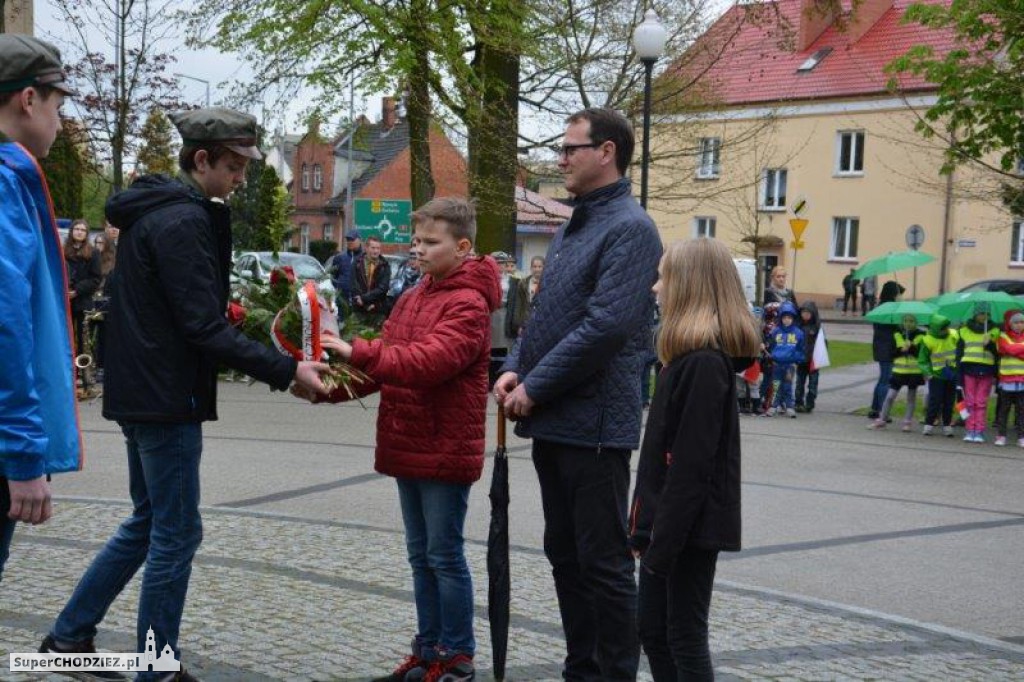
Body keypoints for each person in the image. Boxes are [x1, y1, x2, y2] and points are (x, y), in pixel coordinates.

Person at [40, 107, 330, 681]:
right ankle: (155, 667)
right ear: (202, 160)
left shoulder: (165, 214)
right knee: (176, 532)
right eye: (235, 167)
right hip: (164, 397)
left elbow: (191, 314)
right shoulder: (181, 222)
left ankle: (69, 637)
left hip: (144, 391)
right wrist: (285, 370)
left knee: (149, 520)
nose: (243, 179)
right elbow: (201, 325)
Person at [494, 107, 661, 681]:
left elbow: (606, 326)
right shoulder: (572, 225)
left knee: (604, 565)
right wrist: (515, 366)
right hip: (556, 419)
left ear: (607, 151)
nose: (560, 158)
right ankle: (582, 671)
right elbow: (545, 316)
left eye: (570, 148)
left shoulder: (632, 229)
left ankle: (614, 675)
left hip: (594, 427)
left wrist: (535, 386)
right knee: (565, 555)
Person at [314, 198, 501, 682]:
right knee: (421, 556)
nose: (417, 250)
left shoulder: (470, 303)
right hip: (407, 443)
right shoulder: (416, 294)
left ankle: (456, 658)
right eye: (415, 240)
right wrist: (323, 388)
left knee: (443, 554)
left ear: (463, 247)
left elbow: (427, 362)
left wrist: (356, 349)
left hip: (442, 446)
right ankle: (427, 651)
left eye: (429, 242)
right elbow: (386, 365)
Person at [628, 237, 761, 681]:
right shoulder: (684, 361)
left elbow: (690, 469)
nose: (655, 288)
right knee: (654, 631)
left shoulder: (704, 365)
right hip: (666, 529)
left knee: (682, 636)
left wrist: (660, 546)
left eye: (664, 277)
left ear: (689, 286)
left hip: (687, 532)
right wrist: (642, 528)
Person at [0, 33, 80, 583]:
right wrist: (24, 454)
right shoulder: (4, 184)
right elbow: (6, 324)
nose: (59, 122)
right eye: (58, 106)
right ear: (28, 100)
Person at [63, 218, 102, 396]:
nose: (79, 232)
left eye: (83, 230)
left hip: (82, 302)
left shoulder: (93, 253)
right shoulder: (63, 251)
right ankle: (69, 381)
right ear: (71, 231)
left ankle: (87, 384)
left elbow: (96, 279)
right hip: (65, 302)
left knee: (84, 344)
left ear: (86, 234)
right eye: (76, 229)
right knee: (67, 342)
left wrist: (77, 290)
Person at [869, 314, 925, 431]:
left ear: (916, 322)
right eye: (906, 321)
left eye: (911, 321)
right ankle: (882, 419)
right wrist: (901, 350)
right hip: (899, 371)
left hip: (913, 372)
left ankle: (907, 422)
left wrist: (912, 347)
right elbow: (891, 353)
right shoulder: (897, 334)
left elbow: (921, 353)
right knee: (890, 397)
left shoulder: (921, 335)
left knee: (911, 398)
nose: (908, 323)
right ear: (902, 322)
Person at [956, 301, 1000, 443]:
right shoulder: (963, 331)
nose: (984, 316)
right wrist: (959, 374)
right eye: (981, 313)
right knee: (970, 401)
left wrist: (991, 344)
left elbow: (999, 353)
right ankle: (970, 430)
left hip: (986, 370)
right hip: (969, 370)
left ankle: (979, 431)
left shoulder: (994, 331)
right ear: (975, 314)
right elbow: (959, 354)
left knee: (981, 402)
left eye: (987, 314)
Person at [869, 281, 905, 418]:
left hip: (882, 346)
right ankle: (882, 411)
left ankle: (875, 408)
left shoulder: (882, 307)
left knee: (882, 379)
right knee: (886, 380)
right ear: (893, 294)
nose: (900, 297)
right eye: (899, 294)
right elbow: (892, 329)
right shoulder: (888, 309)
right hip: (887, 347)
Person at [918, 314, 958, 437]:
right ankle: (928, 424)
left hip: (952, 374)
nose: (945, 330)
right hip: (936, 376)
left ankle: (947, 426)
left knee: (949, 401)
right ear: (936, 328)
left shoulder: (953, 335)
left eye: (946, 327)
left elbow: (960, 350)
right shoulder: (927, 340)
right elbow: (922, 360)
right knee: (935, 401)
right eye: (942, 328)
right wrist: (928, 373)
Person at [765, 301, 804, 417]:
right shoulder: (775, 332)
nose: (786, 320)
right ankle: (773, 406)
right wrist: (772, 355)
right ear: (781, 318)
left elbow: (801, 348)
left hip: (790, 365)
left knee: (787, 386)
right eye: (784, 317)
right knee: (776, 385)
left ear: (793, 318)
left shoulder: (798, 333)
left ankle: (790, 406)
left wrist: (796, 359)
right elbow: (771, 345)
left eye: (789, 317)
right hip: (777, 364)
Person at [995, 310, 1024, 447]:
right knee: (1004, 410)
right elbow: (1007, 349)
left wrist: (1014, 349)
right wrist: (1020, 349)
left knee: (1021, 410)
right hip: (1007, 381)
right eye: (1016, 322)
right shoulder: (1003, 336)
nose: (1019, 325)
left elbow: (1012, 350)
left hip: (1022, 381)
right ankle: (1001, 436)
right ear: (1009, 324)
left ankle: (1021, 436)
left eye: (1022, 322)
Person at [352, 235, 392, 322]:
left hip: (377, 310)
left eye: (378, 248)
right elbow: (353, 284)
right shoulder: (357, 263)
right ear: (366, 248)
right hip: (359, 309)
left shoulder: (385, 266)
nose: (376, 251)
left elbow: (383, 288)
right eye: (373, 248)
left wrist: (366, 299)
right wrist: (363, 302)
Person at [505, 255, 544, 339]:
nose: (537, 269)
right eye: (534, 266)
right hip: (525, 323)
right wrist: (518, 325)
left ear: (544, 268)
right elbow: (518, 305)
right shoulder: (523, 283)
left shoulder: (548, 283)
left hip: (541, 323)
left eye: (540, 267)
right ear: (531, 268)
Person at [795, 301, 821, 413]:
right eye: (803, 312)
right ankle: (798, 402)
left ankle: (810, 403)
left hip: (813, 361)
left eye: (808, 313)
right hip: (801, 361)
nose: (805, 315)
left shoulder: (817, 328)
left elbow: (822, 345)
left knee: (813, 385)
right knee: (799, 384)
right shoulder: (798, 327)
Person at [383, 246, 421, 316]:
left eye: (415, 258)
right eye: (411, 258)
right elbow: (393, 286)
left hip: (412, 311)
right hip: (396, 307)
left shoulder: (423, 276)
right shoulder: (402, 269)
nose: (412, 261)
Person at [328, 230, 364, 304]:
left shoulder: (364, 257)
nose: (349, 242)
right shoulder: (339, 258)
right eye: (348, 240)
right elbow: (333, 276)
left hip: (359, 300)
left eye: (352, 239)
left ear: (359, 240)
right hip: (342, 300)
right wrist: (339, 287)